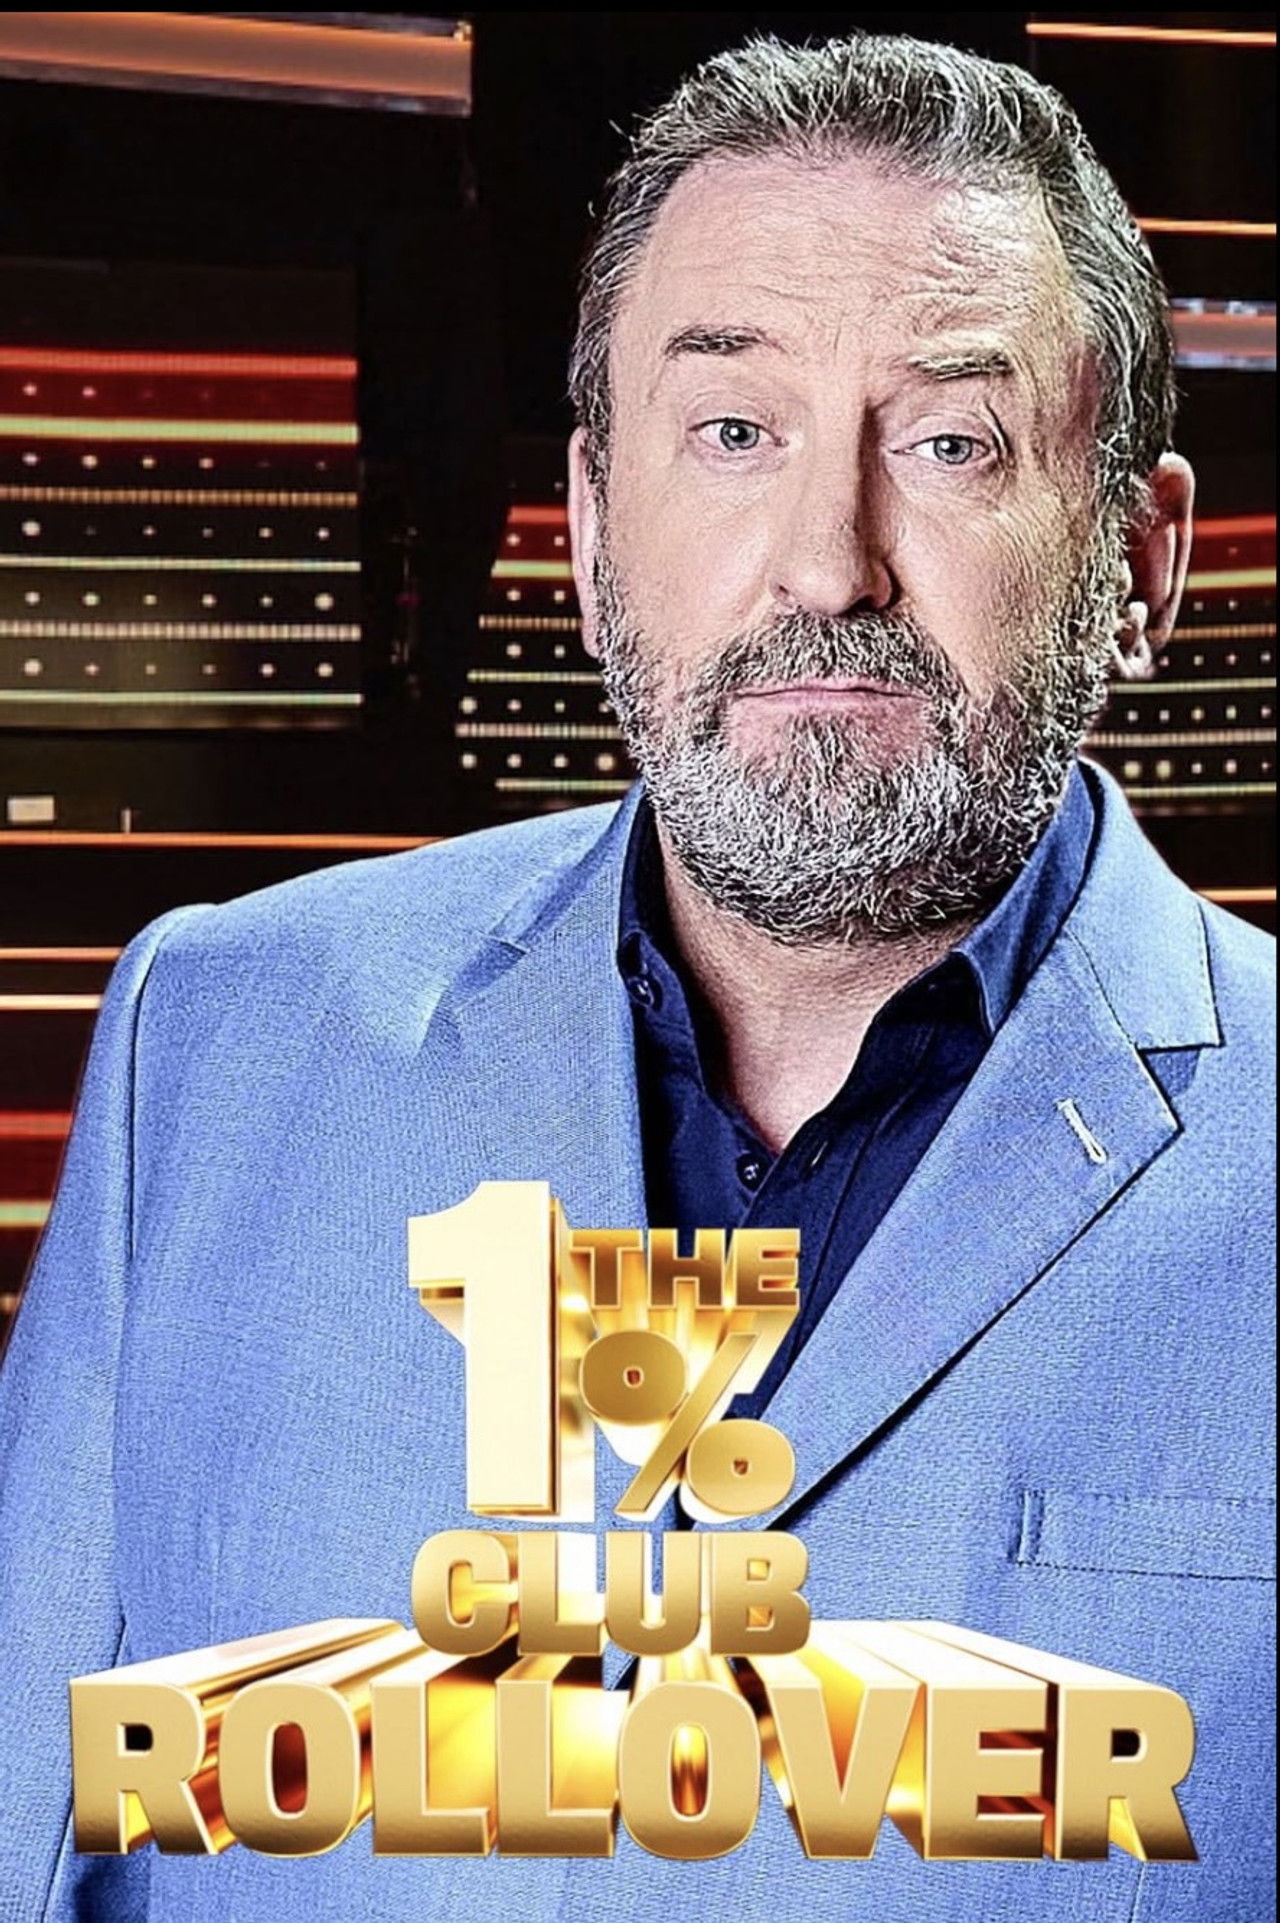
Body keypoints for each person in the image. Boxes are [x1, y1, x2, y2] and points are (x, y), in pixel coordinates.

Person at [1, 31, 1273, 1923]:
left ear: (1141, 562)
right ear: (595, 531)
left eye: (951, 442)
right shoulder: (215, 1037)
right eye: (735, 432)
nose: (827, 568)